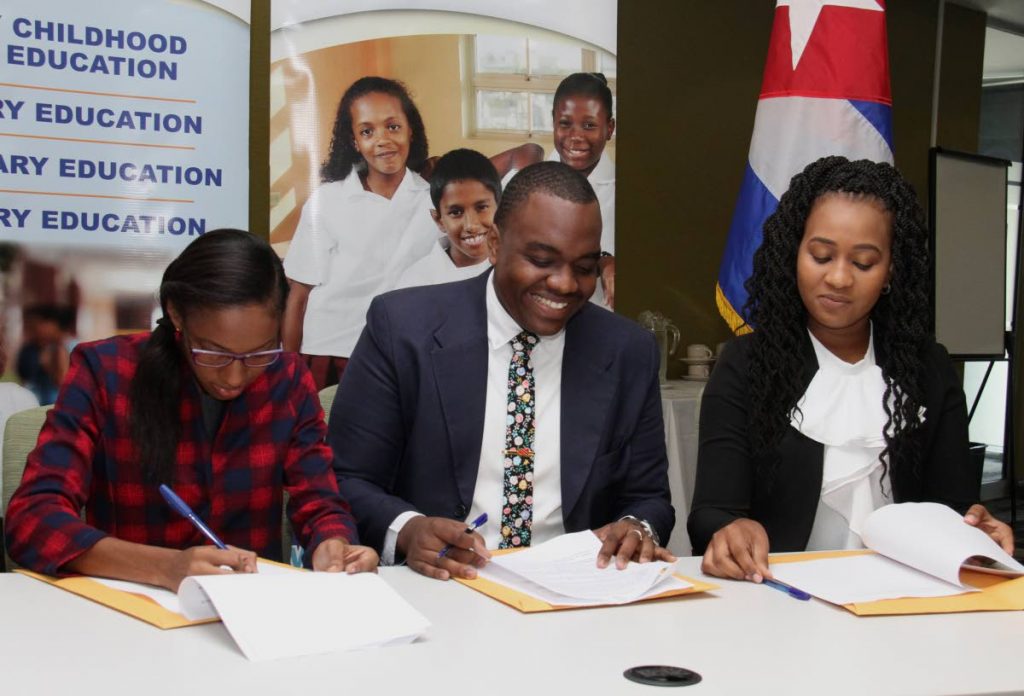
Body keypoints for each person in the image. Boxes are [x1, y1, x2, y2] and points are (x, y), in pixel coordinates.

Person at [330, 161, 674, 581]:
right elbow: (346, 479)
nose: (565, 284)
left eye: (584, 268)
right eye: (542, 260)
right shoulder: (403, 329)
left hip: (577, 599)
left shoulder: (627, 352)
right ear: (494, 244)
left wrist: (637, 526)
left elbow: (649, 498)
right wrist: (409, 529)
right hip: (441, 590)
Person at [687, 156, 1014, 583]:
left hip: (904, 603)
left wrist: (978, 531)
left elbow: (956, 512)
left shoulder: (928, 370)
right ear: (794, 253)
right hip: (780, 600)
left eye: (863, 263)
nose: (839, 278)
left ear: (891, 270)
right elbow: (710, 513)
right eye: (821, 256)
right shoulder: (745, 366)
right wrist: (729, 530)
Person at [5, 229, 378, 589]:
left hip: (251, 612)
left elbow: (319, 499)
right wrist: (166, 567)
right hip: (130, 615)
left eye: (258, 353)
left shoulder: (288, 379)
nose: (234, 377)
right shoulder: (106, 372)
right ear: (177, 314)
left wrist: (334, 542)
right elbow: (33, 520)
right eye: (213, 352)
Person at [282, 76, 439, 390]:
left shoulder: (435, 201)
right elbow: (298, 296)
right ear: (354, 141)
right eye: (367, 131)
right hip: (329, 352)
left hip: (401, 354)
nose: (382, 140)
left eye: (393, 126)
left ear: (411, 130)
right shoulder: (327, 201)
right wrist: (285, 373)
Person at [502, 73, 617, 308]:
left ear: (609, 128)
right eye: (565, 124)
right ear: (553, 120)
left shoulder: (625, 192)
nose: (575, 137)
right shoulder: (524, 183)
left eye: (589, 125)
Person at [395, 148, 500, 289]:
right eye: (456, 212)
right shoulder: (416, 282)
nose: (471, 225)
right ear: (439, 220)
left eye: (481, 208)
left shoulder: (517, 269)